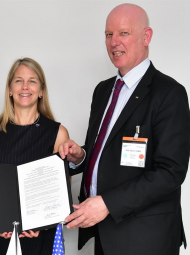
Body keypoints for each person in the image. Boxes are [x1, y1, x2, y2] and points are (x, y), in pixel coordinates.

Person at [59, 4, 190, 255]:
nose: (114, 42)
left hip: (147, 238)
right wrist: (81, 156)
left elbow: (171, 172)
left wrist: (108, 203)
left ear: (146, 36)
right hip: (105, 234)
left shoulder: (169, 93)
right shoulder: (103, 91)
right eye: (109, 35)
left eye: (123, 33)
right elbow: (105, 151)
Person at [0, 57, 69, 255]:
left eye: (32, 81)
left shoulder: (58, 133)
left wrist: (41, 225)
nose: (25, 87)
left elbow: (61, 195)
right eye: (18, 80)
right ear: (10, 89)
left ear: (41, 91)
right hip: (0, 236)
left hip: (42, 238)